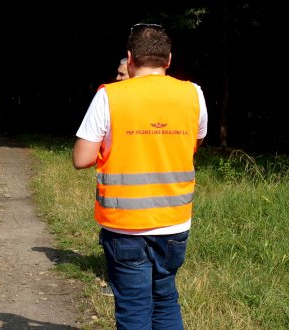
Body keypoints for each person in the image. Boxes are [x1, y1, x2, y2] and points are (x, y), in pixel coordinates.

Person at [72, 23, 208, 329]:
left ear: (130, 58)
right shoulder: (193, 94)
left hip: (125, 224)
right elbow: (193, 143)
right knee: (165, 299)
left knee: (133, 307)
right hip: (174, 220)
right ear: (168, 59)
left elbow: (82, 159)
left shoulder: (110, 95)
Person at [97, 56, 132, 298]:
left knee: (120, 233)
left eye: (122, 74)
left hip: (130, 181)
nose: (117, 78)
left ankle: (117, 283)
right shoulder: (110, 97)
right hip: (113, 177)